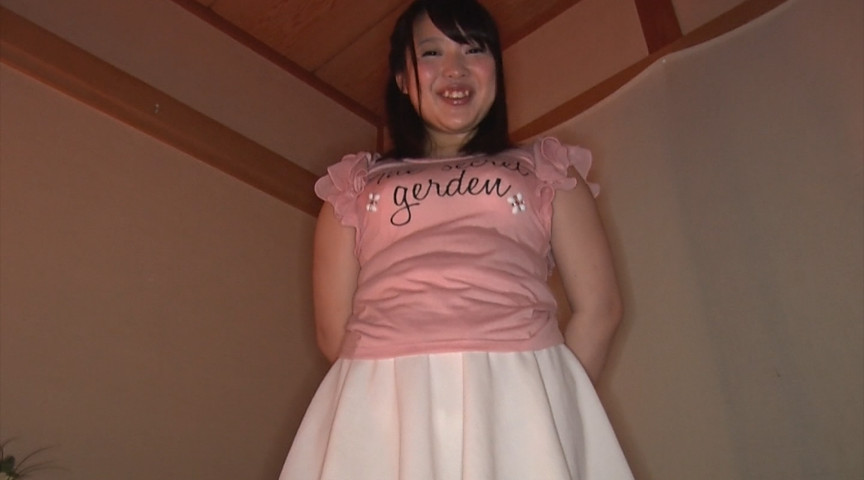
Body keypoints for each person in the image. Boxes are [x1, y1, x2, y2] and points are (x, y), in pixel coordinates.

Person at [279, 0, 633, 478]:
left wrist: (553, 401)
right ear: (402, 79)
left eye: (474, 49)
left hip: (517, 388)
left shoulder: (545, 169)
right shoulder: (355, 185)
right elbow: (333, 331)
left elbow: (601, 308)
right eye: (431, 53)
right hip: (387, 400)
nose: (455, 68)